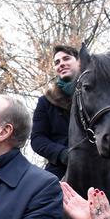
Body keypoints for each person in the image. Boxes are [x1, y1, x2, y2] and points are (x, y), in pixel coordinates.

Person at [31, 44, 79, 178]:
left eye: (66, 59)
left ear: (79, 62)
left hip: (100, 161)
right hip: (61, 167)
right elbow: (37, 139)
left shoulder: (96, 94)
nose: (61, 64)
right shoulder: (46, 101)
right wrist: (62, 154)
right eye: (57, 62)